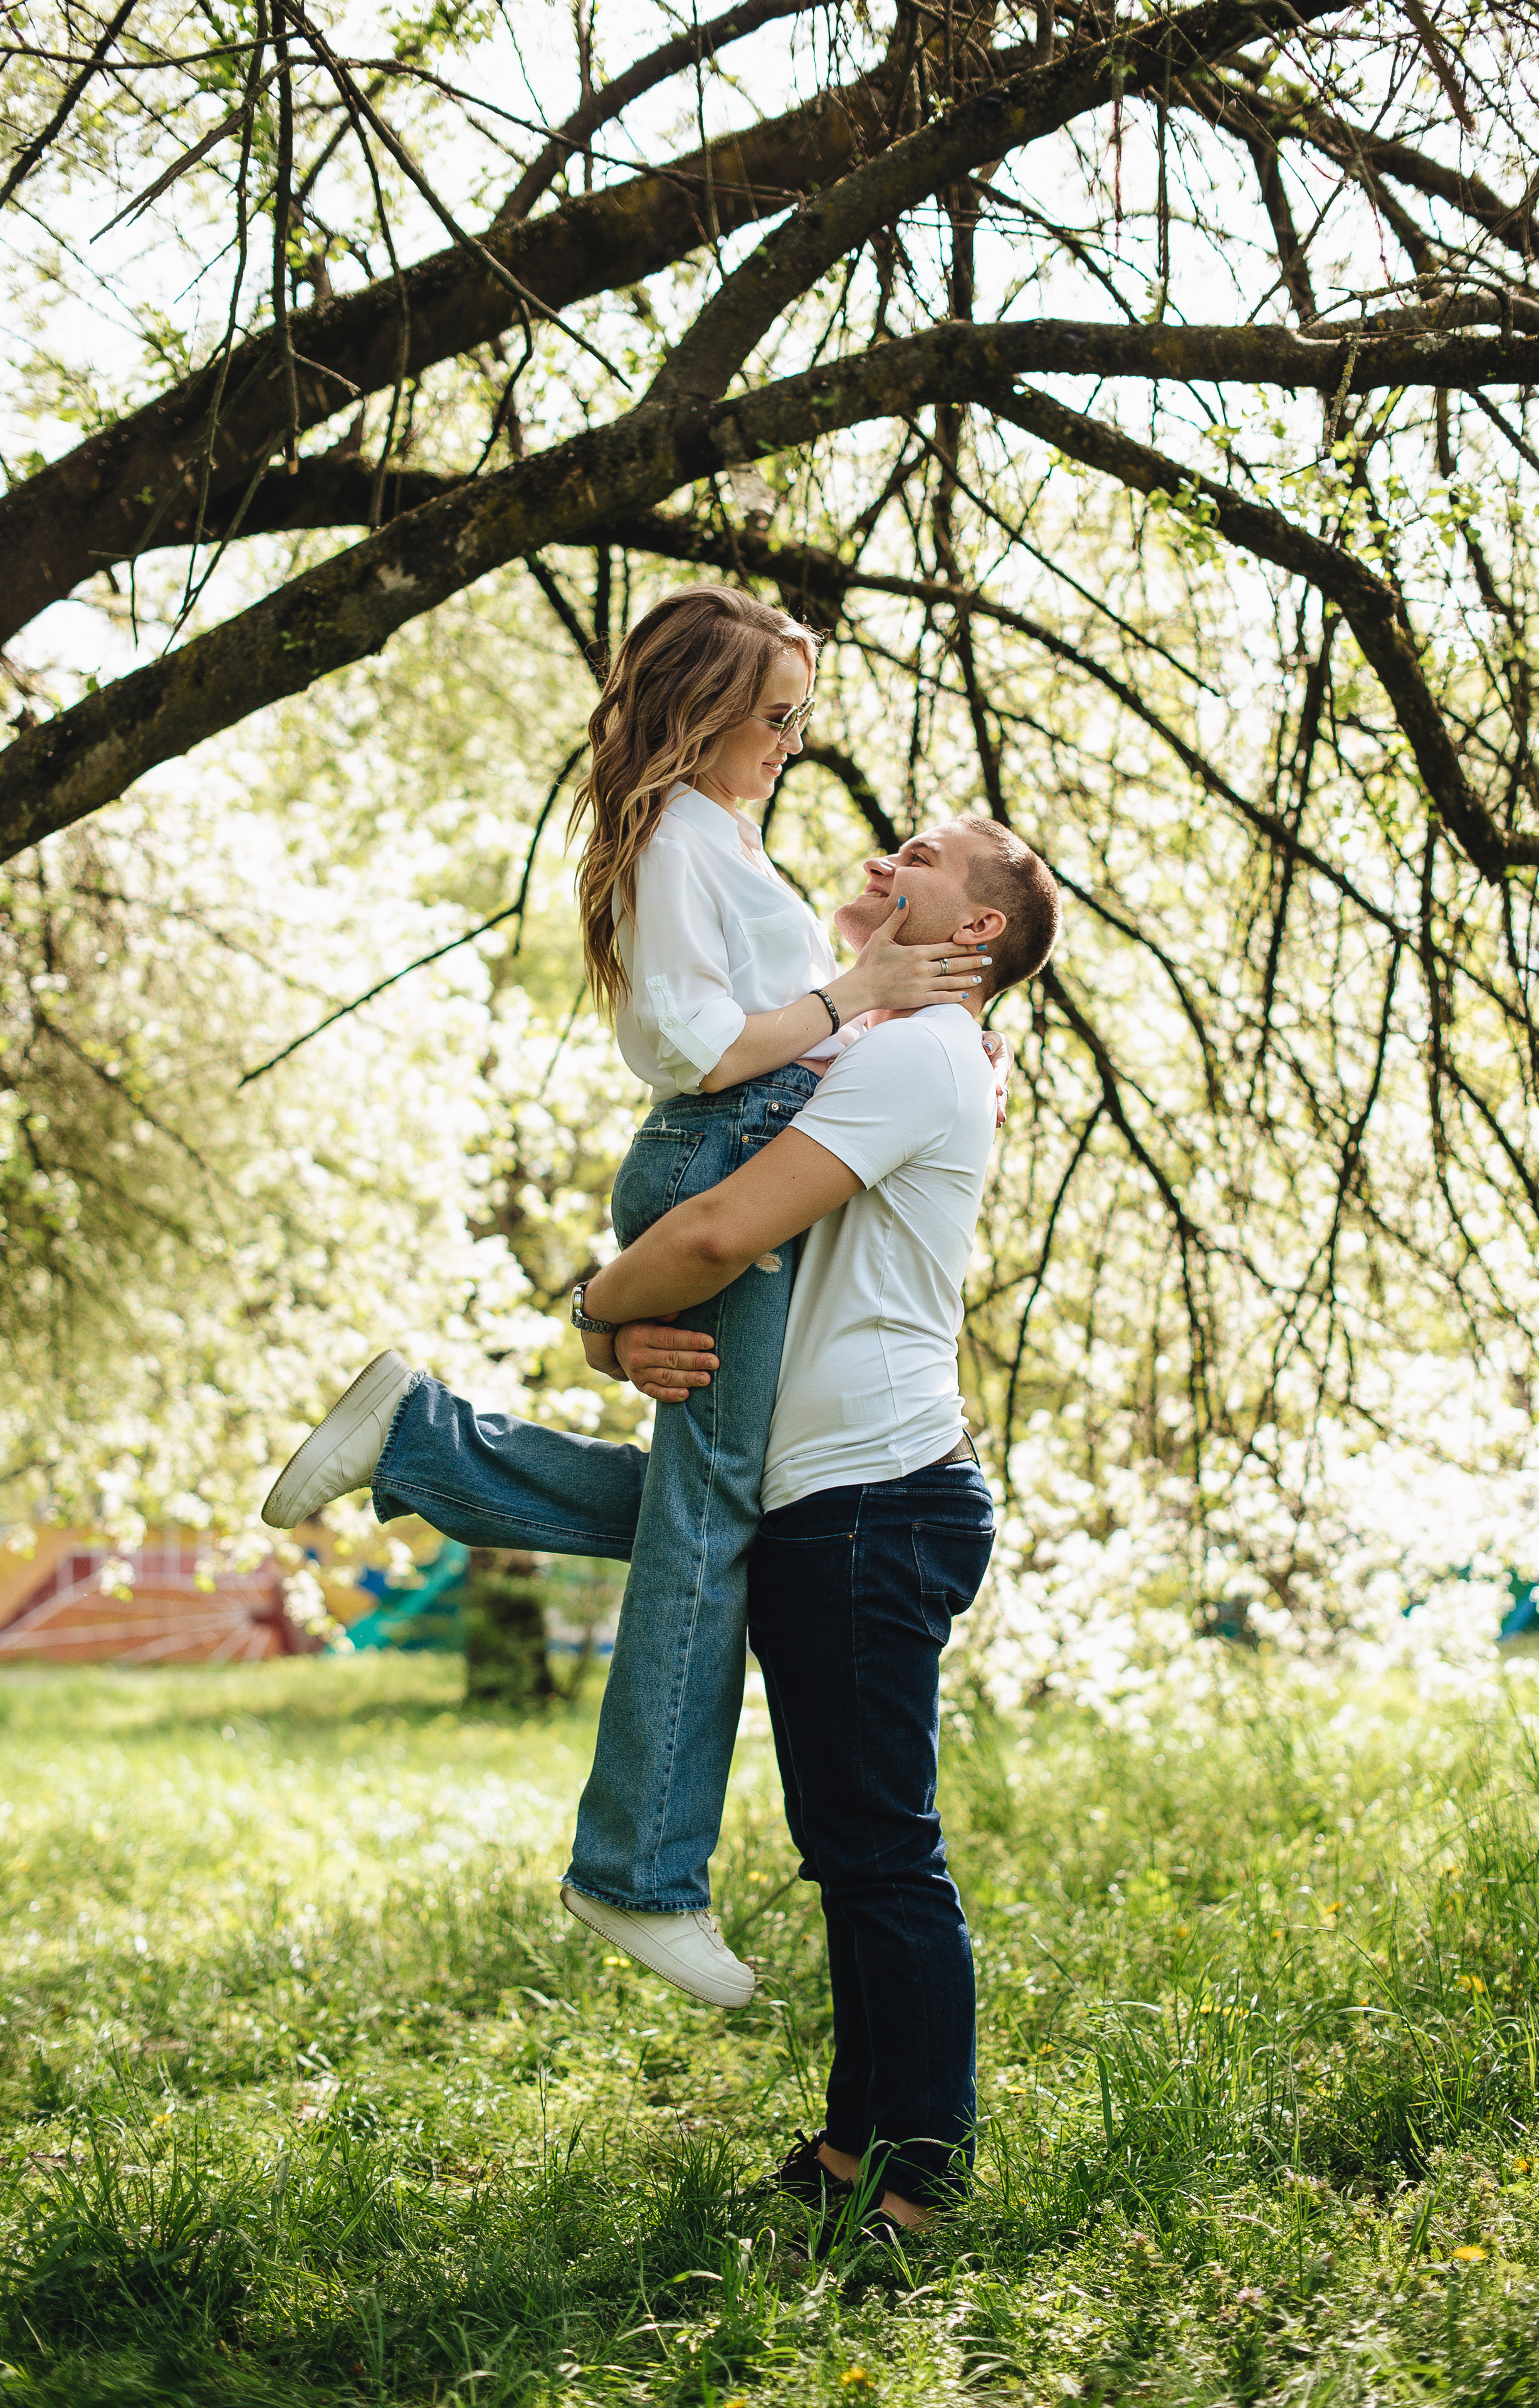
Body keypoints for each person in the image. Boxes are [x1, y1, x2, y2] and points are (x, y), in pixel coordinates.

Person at [260, 814, 1062, 2235]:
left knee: (879, 1853)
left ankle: (915, 2185)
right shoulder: (864, 1041)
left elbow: (710, 1239)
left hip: (875, 1500)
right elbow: (707, 1234)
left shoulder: (924, 1055)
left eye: (925, 855)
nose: (892, 854)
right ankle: (853, 2154)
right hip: (816, 1487)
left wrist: (596, 1310)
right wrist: (627, 1332)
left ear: (979, 930)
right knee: (850, 1843)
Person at [265, 586, 987, 2009]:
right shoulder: (669, 833)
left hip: (727, 1142)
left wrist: (855, 970)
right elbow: (698, 1042)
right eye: (774, 715)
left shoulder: (718, 835)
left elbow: (767, 1009)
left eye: (798, 715)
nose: (792, 739)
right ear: (702, 710)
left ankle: (417, 1441)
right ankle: (635, 1869)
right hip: (710, 1154)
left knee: (720, 1505)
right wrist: (852, 992)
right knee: (717, 1516)